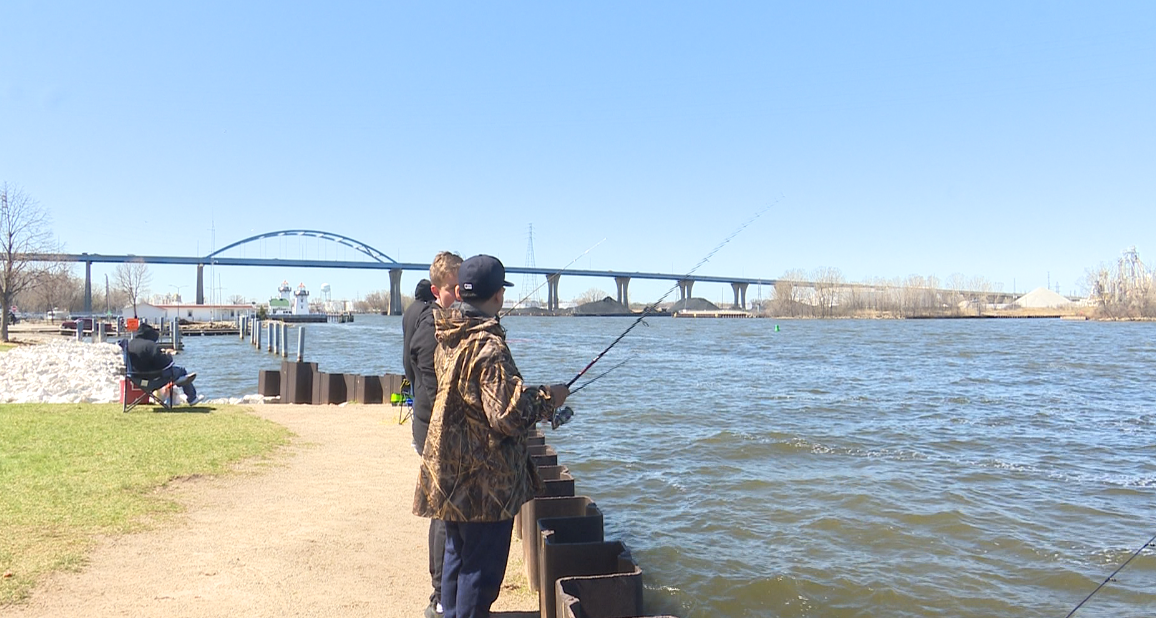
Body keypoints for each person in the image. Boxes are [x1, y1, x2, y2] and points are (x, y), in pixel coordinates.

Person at [413, 254, 569, 618]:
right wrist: (549, 396)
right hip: (483, 485)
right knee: (480, 573)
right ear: (498, 296)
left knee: (456, 556)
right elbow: (508, 415)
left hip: (451, 474)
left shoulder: (447, 336)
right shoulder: (489, 347)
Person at [403, 253, 462, 618]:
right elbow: (437, 382)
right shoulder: (432, 330)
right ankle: (440, 596)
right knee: (442, 512)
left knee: (446, 510)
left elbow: (407, 368)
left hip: (424, 424)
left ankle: (445, 592)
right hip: (432, 429)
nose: (462, 295)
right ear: (439, 289)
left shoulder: (421, 316)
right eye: (456, 289)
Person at [127, 322, 201, 405]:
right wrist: (167, 355)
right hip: (152, 380)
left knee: (176, 374)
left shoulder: (130, 344)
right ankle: (191, 398)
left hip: (135, 379)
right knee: (181, 371)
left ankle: (179, 380)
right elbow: (165, 364)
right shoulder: (150, 345)